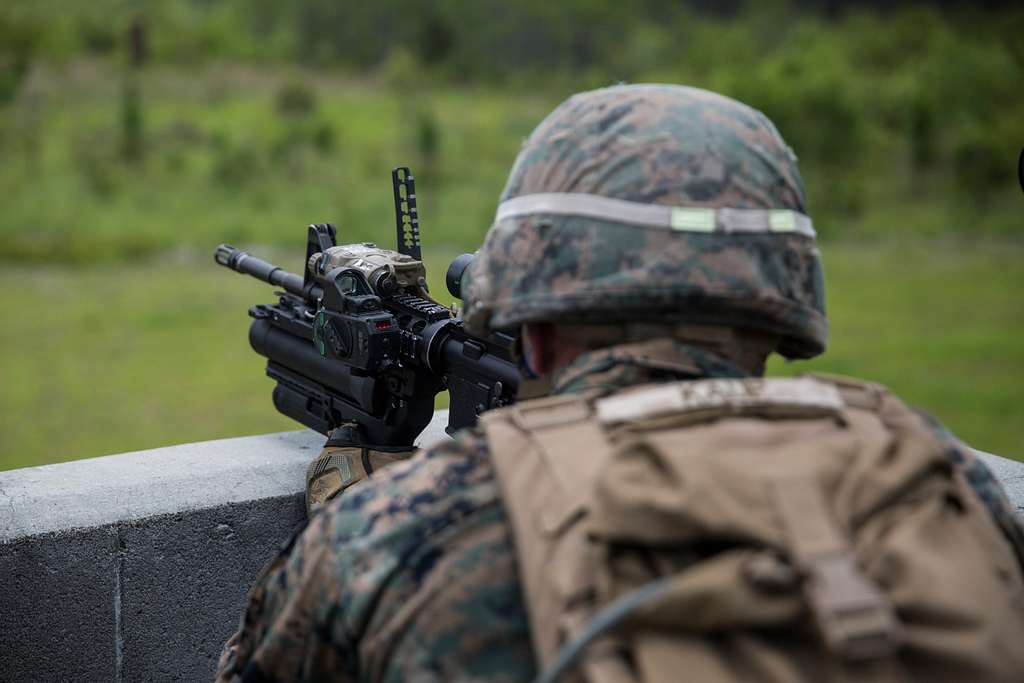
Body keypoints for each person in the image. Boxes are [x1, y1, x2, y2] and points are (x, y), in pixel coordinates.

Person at [215, 84, 1024, 683]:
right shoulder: (943, 485)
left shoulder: (402, 536)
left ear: (531, 317)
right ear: (779, 302)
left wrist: (357, 508)